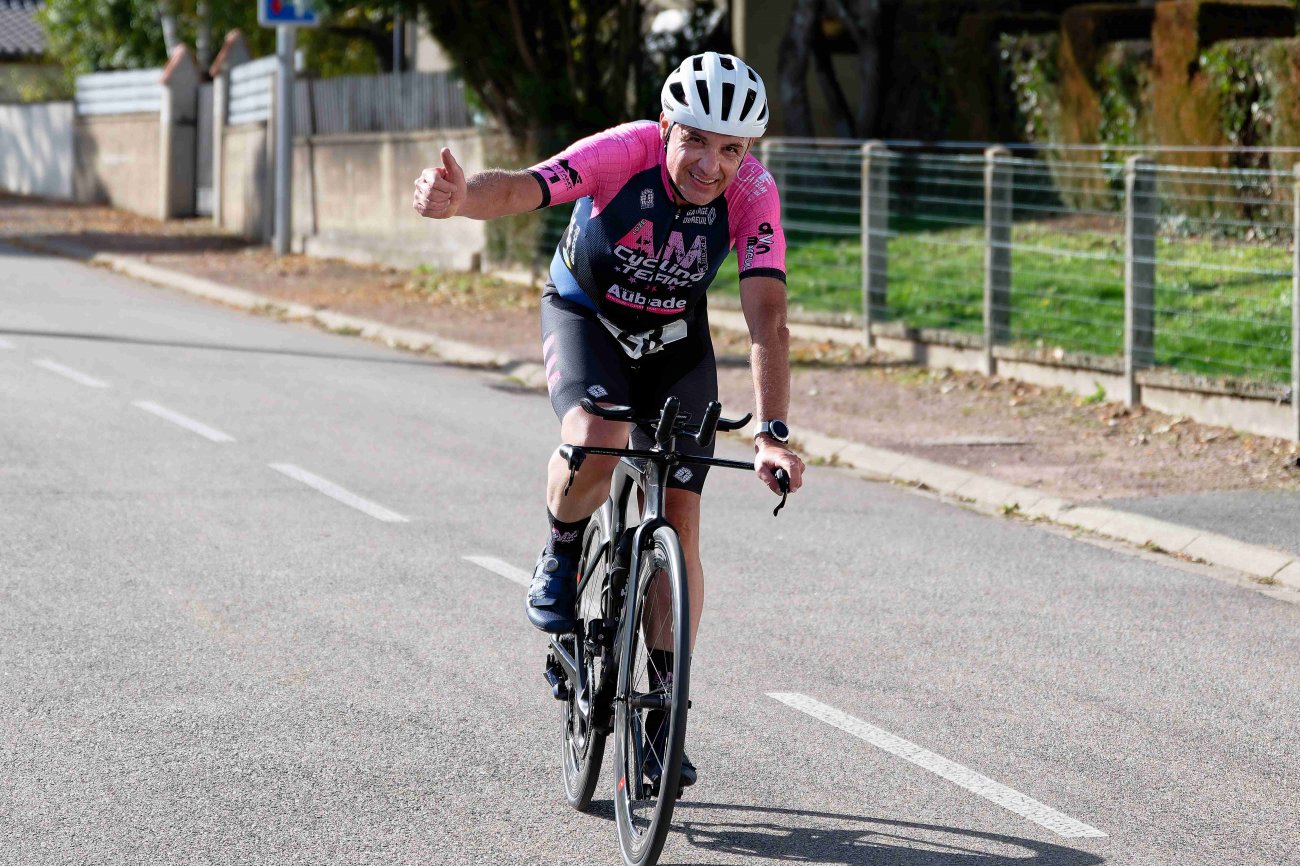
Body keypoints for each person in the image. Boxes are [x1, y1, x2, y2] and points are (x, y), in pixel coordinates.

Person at [414, 52, 805, 787]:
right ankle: (562, 550)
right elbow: (525, 187)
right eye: (696, 141)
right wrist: (462, 198)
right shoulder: (623, 153)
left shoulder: (753, 192)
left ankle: (662, 717)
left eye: (732, 149)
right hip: (586, 316)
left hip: (673, 340)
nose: (712, 166)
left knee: (681, 518)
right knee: (599, 438)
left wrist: (773, 434)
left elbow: (768, 318)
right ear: (665, 127)